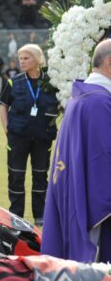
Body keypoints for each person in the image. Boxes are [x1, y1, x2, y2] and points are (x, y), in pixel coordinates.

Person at [42, 40, 111, 262]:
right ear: (109, 63)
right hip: (95, 203)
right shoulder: (99, 102)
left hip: (76, 189)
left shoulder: (83, 96)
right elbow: (104, 159)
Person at [0, 44, 59, 224]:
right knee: (16, 176)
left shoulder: (52, 82)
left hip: (43, 138)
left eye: (26, 58)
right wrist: (6, 128)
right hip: (18, 137)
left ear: (38, 60)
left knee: (40, 177)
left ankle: (40, 217)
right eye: (21, 59)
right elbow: (3, 104)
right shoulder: (14, 82)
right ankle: (16, 216)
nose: (22, 62)